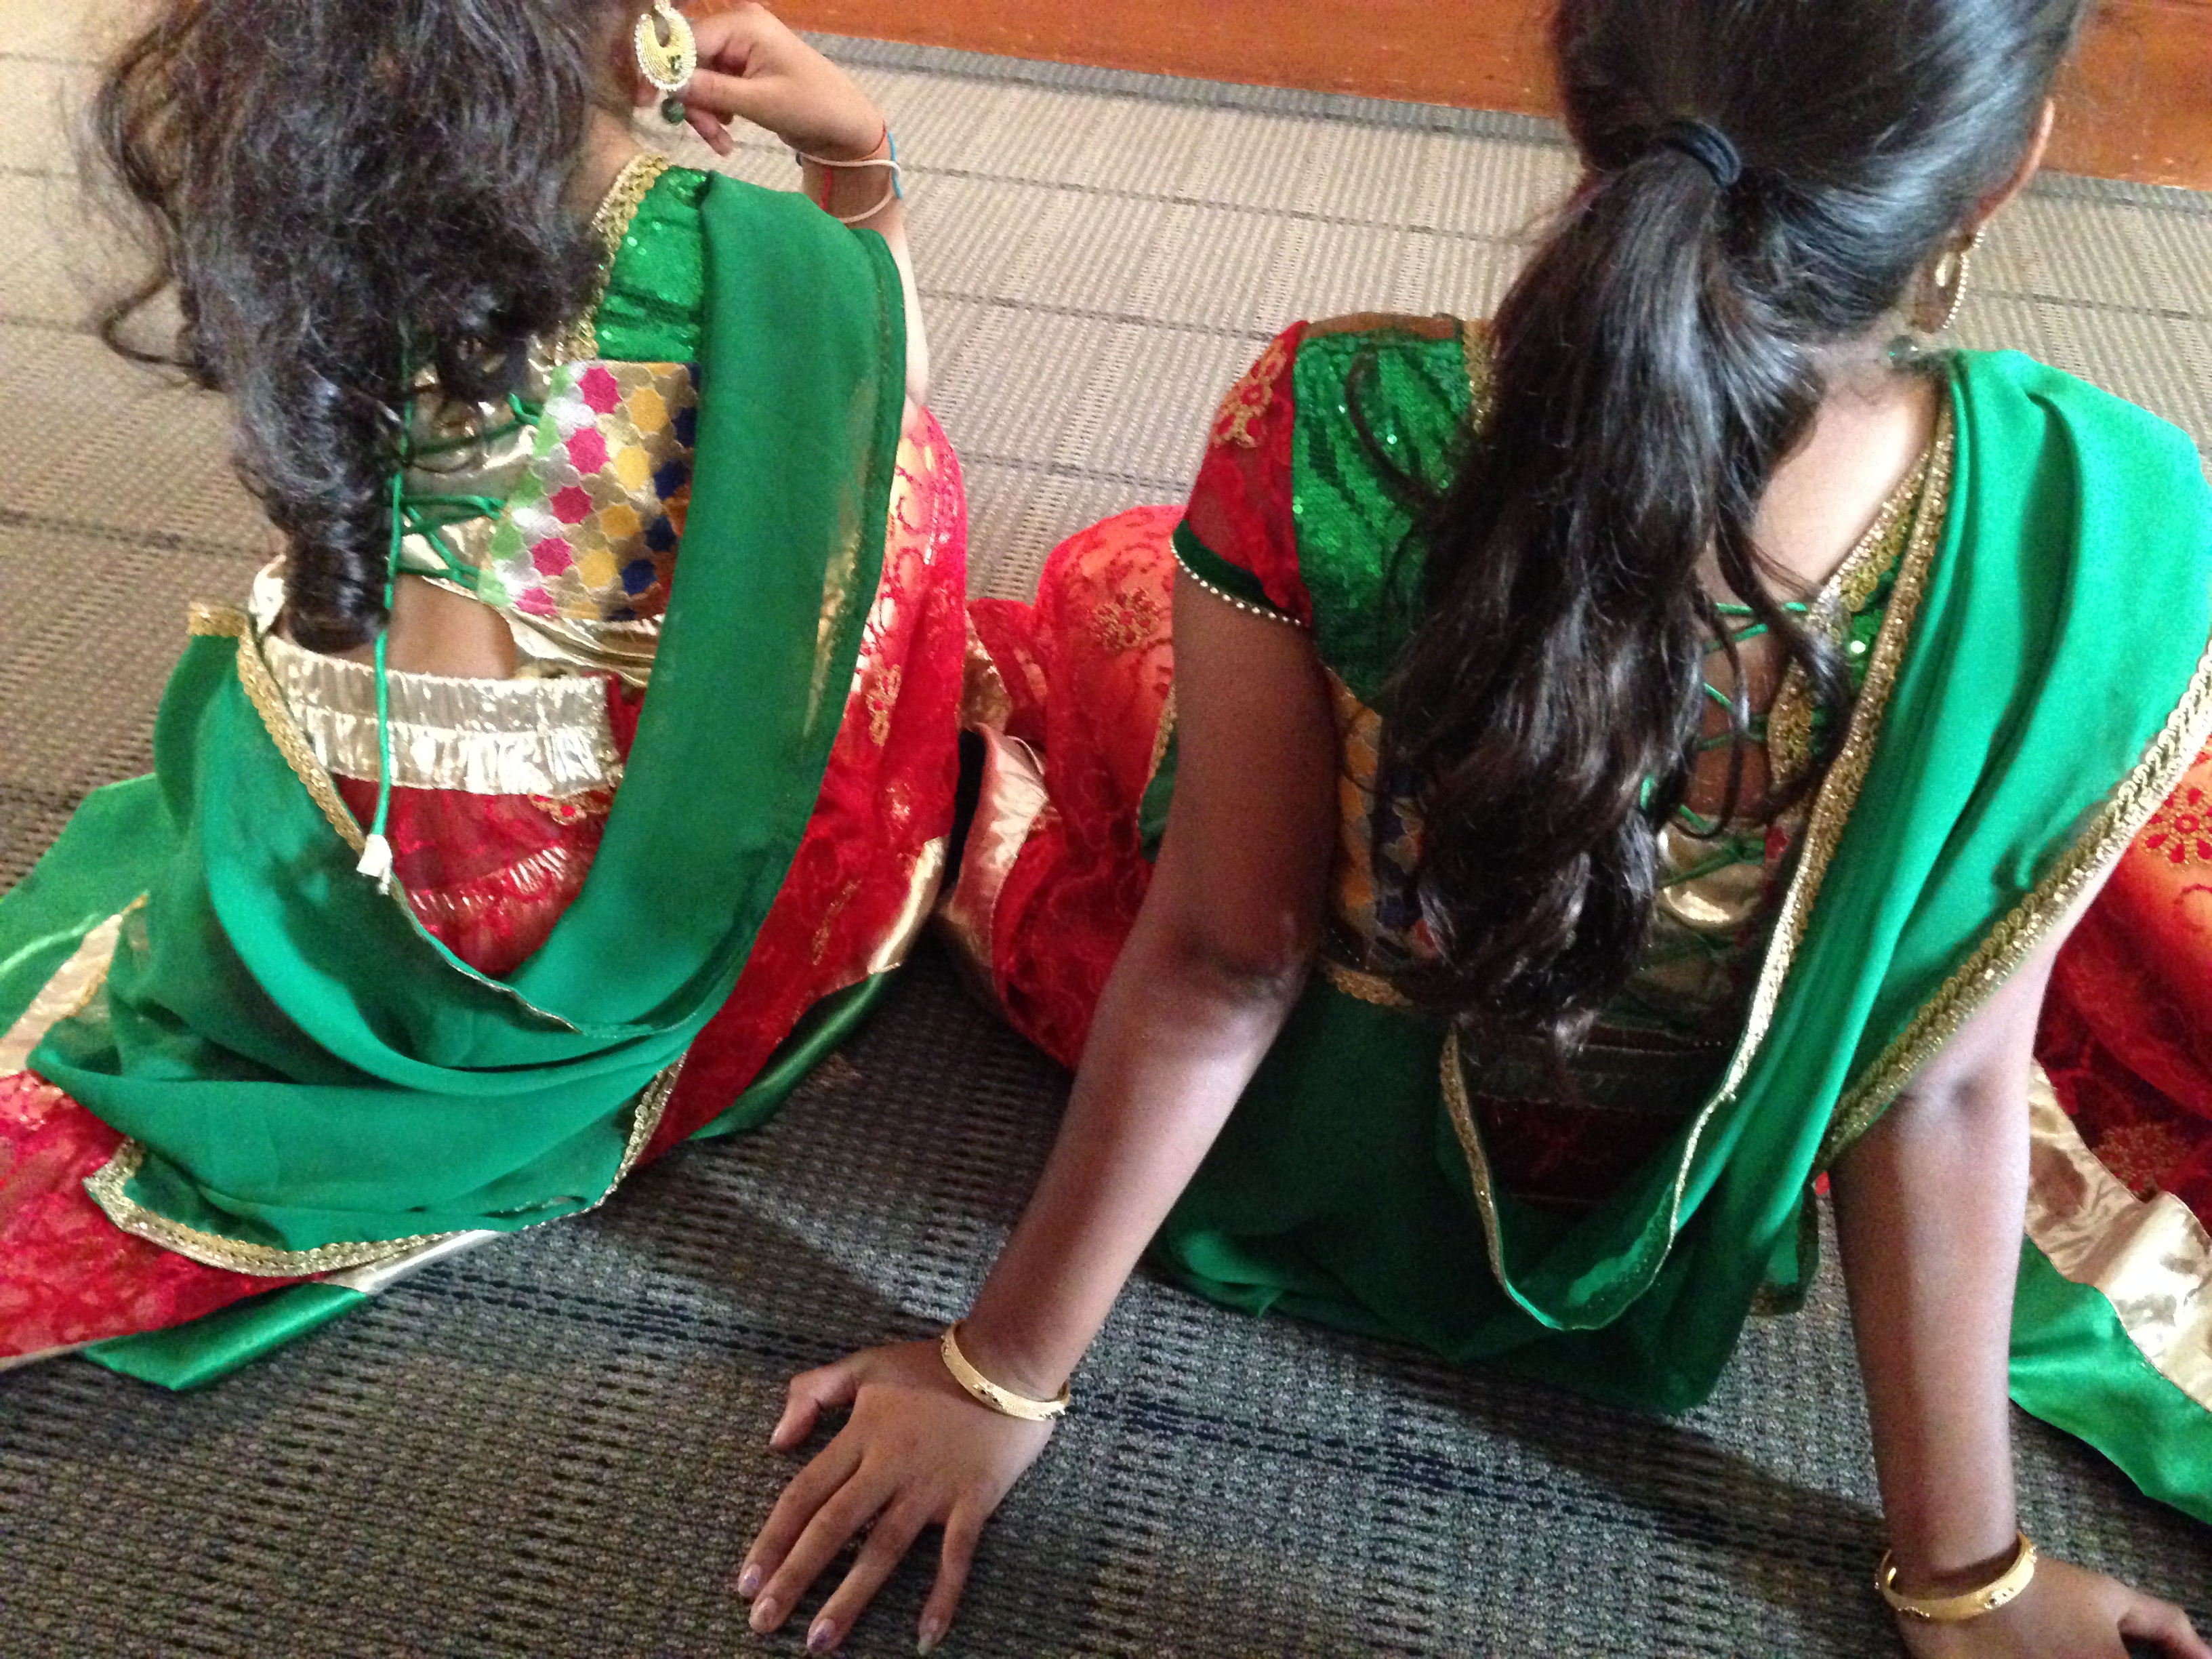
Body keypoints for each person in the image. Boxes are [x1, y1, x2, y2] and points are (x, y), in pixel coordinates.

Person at [732, 1, 2212, 1654]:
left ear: (1586, 86)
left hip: (1318, 1165)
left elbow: (1225, 959)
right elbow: (1943, 1083)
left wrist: (998, 1373)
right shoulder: (2115, 527)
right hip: (1672, 1234)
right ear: (2004, 164)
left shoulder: (1336, 421)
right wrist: (1967, 1574)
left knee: (1111, 601)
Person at [0, 2, 966, 1385]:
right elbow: (885, 394)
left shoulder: (309, 159)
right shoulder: (745, 250)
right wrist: (856, 162)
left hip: (304, 814)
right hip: (516, 903)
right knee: (906, 492)